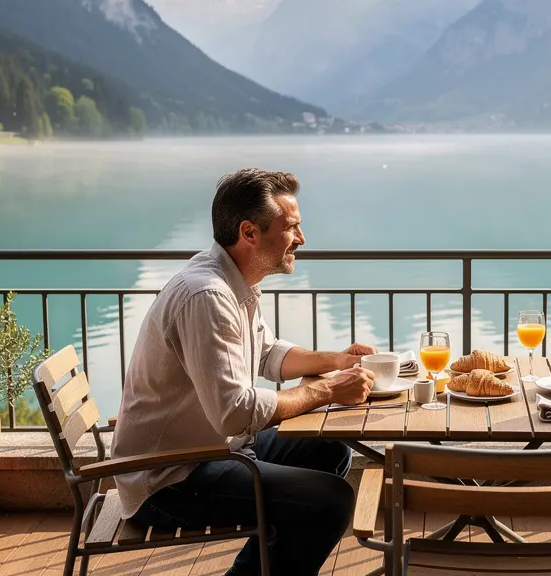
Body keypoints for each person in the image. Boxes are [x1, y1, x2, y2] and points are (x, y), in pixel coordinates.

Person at [109, 168, 379, 576]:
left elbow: (267, 354)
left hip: (213, 451)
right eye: (291, 228)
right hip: (169, 480)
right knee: (332, 500)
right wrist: (326, 391)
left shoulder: (233, 281)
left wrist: (337, 361)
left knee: (330, 450)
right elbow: (235, 412)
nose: (301, 239)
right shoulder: (208, 296)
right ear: (250, 232)